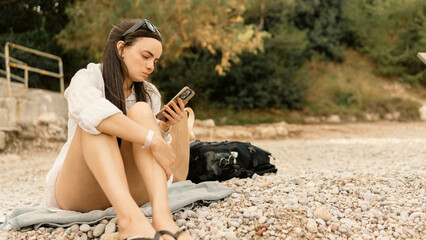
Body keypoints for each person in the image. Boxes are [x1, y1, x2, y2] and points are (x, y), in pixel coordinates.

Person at [44, 19, 194, 240]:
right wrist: (153, 139)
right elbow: (93, 114)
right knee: (96, 123)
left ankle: (162, 218)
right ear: (121, 48)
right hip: (81, 191)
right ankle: (130, 222)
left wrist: (162, 128)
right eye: (145, 56)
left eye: (155, 60)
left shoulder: (149, 93)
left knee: (141, 110)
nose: (151, 66)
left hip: (131, 190)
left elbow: (149, 152)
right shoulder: (88, 78)